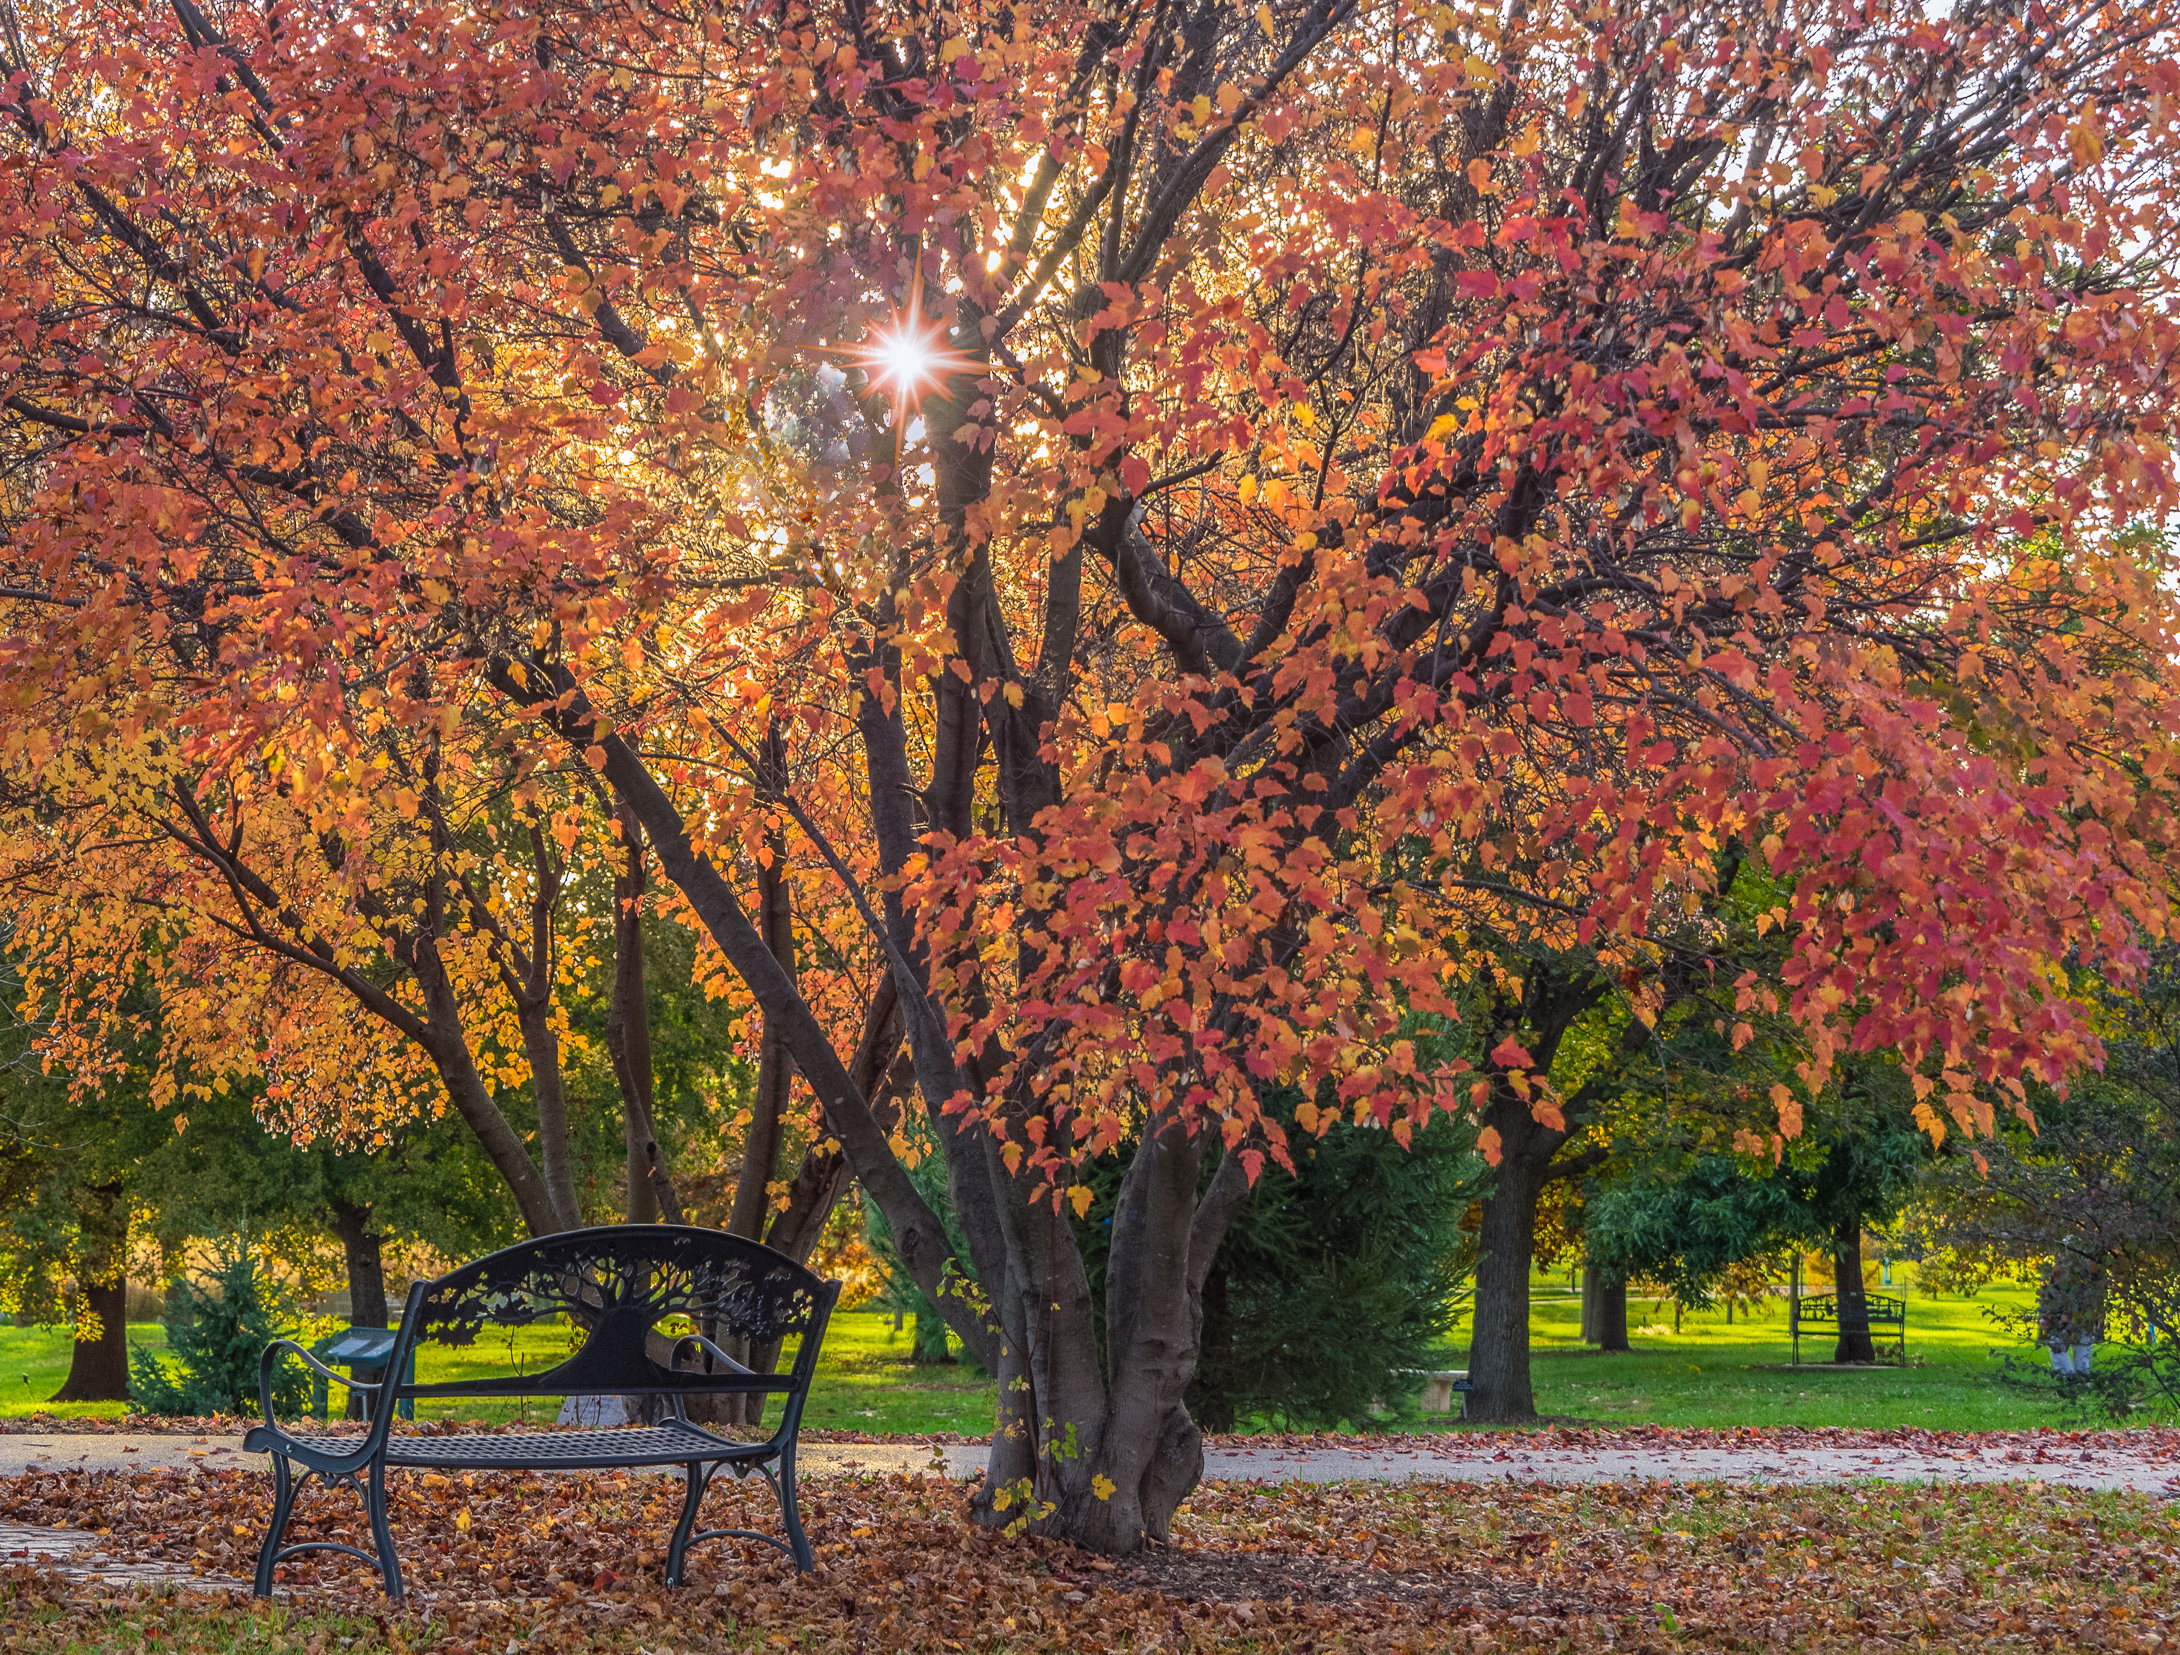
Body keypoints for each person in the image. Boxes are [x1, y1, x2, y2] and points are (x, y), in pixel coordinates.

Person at [2040, 1247, 2107, 1380]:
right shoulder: (2091, 1271)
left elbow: (2052, 1294)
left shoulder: (2071, 1272)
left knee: (2060, 1349)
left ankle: (2073, 1380)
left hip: (2070, 1318)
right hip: (2076, 1317)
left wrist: (2046, 1316)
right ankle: (2077, 1382)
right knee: (2078, 1354)